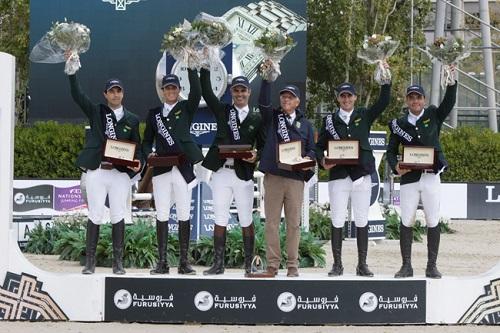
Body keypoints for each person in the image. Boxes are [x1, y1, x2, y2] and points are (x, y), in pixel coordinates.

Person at [316, 65, 391, 277]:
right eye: (343, 96)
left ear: (355, 98)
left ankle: (362, 264)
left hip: (361, 175)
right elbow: (319, 146)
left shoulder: (364, 115)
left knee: (362, 218)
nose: (346, 99)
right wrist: (322, 160)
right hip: (339, 175)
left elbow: (384, 102)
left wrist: (386, 79)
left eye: (349, 96)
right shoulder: (329, 120)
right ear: (338, 99)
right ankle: (337, 264)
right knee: (337, 218)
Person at [69, 73, 142, 275]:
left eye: (118, 91)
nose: (115, 94)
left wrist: (139, 163)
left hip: (120, 174)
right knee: (95, 214)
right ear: (105, 94)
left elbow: (138, 148)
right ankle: (90, 262)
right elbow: (77, 95)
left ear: (123, 93)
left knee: (118, 214)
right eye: (112, 91)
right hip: (98, 171)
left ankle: (117, 263)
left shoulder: (132, 119)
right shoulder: (97, 112)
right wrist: (73, 73)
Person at [387, 70, 457, 279]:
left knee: (432, 219)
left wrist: (452, 83)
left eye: (418, 97)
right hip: (409, 178)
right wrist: (395, 166)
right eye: (411, 97)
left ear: (424, 100)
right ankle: (406, 266)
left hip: (431, 176)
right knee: (406, 219)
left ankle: (431, 266)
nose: (415, 101)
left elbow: (449, 103)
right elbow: (391, 151)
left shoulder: (434, 114)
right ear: (407, 100)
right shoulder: (399, 124)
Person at [200, 69, 264, 276]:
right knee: (220, 217)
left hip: (243, 173)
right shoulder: (224, 111)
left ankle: (248, 265)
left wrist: (257, 155)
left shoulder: (257, 116)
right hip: (221, 172)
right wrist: (204, 67)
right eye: (236, 90)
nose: (239, 94)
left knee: (246, 218)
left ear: (249, 92)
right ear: (231, 92)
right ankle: (219, 264)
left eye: (243, 90)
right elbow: (208, 94)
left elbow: (262, 145)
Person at [142, 71, 202, 275]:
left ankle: (184, 262)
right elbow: (146, 141)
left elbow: (197, 92)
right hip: (161, 169)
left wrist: (192, 67)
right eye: (167, 88)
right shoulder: (154, 114)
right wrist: (147, 154)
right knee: (162, 214)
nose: (170, 91)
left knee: (184, 213)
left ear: (179, 90)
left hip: (183, 168)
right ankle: (162, 262)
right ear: (162, 91)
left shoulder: (186, 108)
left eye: (174, 88)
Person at [259, 81, 315, 278]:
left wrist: (309, 158)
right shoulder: (273, 117)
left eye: (290, 97)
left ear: (297, 101)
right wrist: (266, 80)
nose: (286, 99)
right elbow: (263, 103)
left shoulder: (306, 124)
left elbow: (312, 149)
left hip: (295, 179)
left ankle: (292, 265)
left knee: (293, 224)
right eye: (283, 96)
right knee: (271, 223)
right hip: (274, 176)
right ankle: (272, 265)